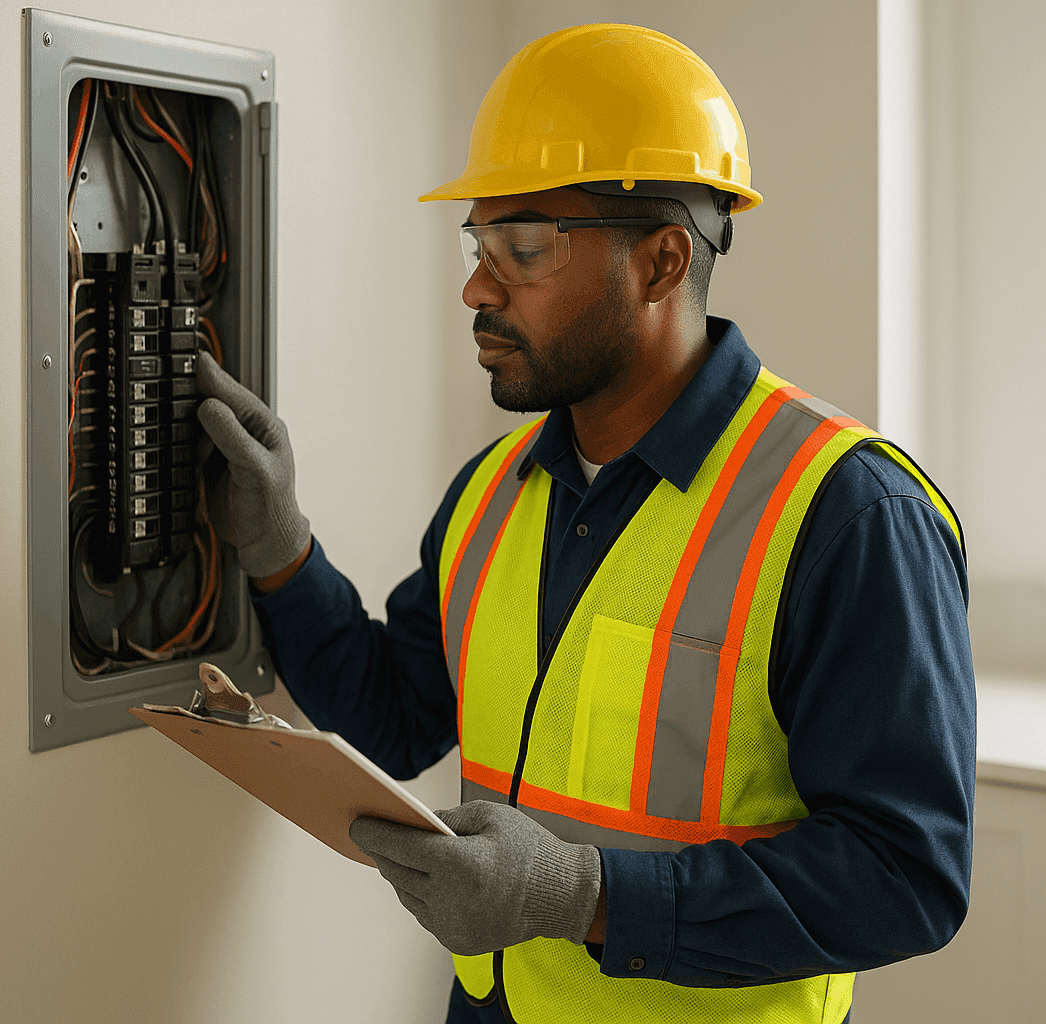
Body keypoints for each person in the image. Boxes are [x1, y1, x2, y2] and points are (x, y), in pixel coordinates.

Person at [194, 23, 975, 1024]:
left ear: (661, 263)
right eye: (478, 245)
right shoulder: (491, 493)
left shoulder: (848, 514)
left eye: (523, 248)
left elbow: (905, 874)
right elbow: (397, 716)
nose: (476, 287)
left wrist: (585, 895)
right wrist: (279, 549)